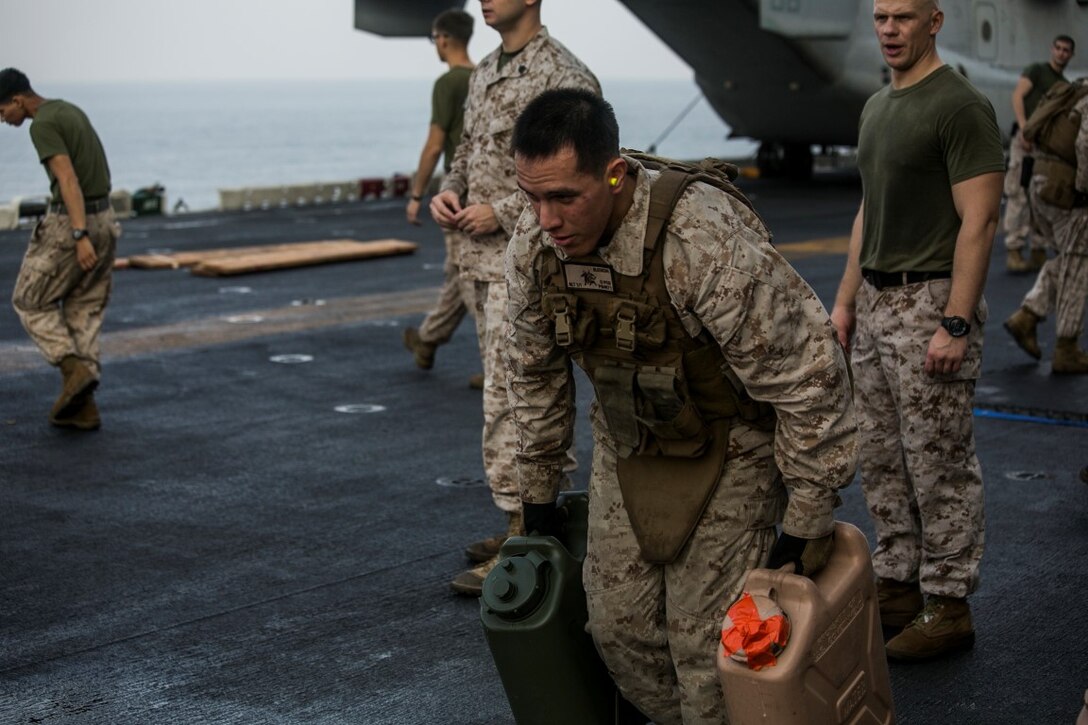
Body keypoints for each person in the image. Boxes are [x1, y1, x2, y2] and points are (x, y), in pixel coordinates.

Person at [504, 88, 857, 724]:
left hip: (734, 449)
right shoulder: (536, 248)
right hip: (631, 445)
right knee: (620, 635)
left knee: (707, 653)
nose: (546, 219)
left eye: (563, 197)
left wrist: (808, 517)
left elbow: (809, 375)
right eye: (531, 197)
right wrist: (536, 497)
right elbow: (533, 375)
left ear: (614, 176)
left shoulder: (700, 240)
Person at [830, 0, 1005, 661]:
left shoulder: (957, 105)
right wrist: (845, 302)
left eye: (904, 17)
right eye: (880, 17)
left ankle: (949, 601)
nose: (889, 30)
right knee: (879, 455)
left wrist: (955, 322)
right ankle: (899, 580)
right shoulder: (878, 107)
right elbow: (867, 210)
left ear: (935, 20)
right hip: (876, 302)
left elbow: (980, 220)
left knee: (939, 462)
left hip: (930, 301)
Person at [429, 0, 600, 595]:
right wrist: (448, 193)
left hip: (531, 264)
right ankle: (519, 524)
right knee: (500, 400)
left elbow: (584, 179)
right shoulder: (484, 74)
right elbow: (469, 152)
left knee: (528, 402)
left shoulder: (563, 75)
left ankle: (537, 539)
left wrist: (497, 211)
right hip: (479, 264)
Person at [0, 68, 121, 431]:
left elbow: (67, 178)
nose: (3, 120)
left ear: (17, 100)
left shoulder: (42, 125)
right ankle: (82, 407)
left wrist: (78, 233)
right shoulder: (70, 110)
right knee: (83, 307)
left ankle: (72, 367)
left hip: (73, 223)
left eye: (2, 111)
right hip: (106, 219)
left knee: (28, 300)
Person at [401, 9, 483, 389]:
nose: (435, 44)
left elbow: (436, 145)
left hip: (458, 194)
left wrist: (416, 194)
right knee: (459, 273)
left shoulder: (448, 83)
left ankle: (497, 366)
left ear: (445, 38)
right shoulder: (485, 76)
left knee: (469, 278)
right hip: (486, 191)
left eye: (434, 38)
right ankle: (427, 339)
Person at [1005, 78, 1088, 373]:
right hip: (1064, 191)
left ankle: (1027, 316)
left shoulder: (1076, 89)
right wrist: (1083, 188)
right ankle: (1066, 349)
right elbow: (1085, 142)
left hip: (1040, 183)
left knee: (1069, 259)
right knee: (1078, 265)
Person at [1003, 36, 1075, 273]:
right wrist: (1025, 129)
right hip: (1024, 141)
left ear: (1070, 55)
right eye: (1059, 48)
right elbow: (1018, 96)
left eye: (1066, 50)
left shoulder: (1064, 84)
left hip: (1043, 147)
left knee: (1040, 197)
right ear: (1052, 49)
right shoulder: (1037, 71)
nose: (1061, 53)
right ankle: (1014, 249)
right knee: (1018, 194)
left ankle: (1038, 249)